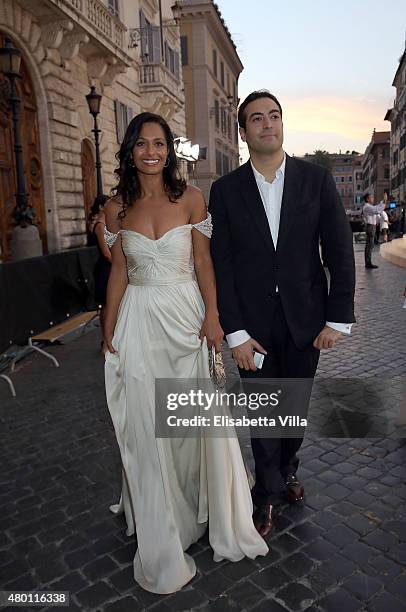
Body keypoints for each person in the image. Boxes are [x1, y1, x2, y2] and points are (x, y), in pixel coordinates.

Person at [103, 112, 268, 594]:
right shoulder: (117, 210)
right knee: (145, 422)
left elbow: (202, 262)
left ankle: (202, 507)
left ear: (169, 152)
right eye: (141, 144)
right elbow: (118, 273)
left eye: (159, 144)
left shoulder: (192, 199)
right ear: (130, 150)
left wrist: (213, 316)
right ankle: (162, 520)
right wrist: (108, 328)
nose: (151, 151)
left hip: (186, 318)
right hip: (138, 319)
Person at [209, 90, 356, 537]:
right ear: (244, 131)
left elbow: (339, 249)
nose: (267, 124)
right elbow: (223, 266)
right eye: (257, 118)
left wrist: (337, 318)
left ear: (282, 123)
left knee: (294, 409)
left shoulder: (316, 180)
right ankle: (267, 496)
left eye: (274, 116)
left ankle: (289, 468)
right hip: (253, 326)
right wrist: (234, 332)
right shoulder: (225, 190)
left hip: (306, 321)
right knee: (263, 413)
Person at [88, 195, 112, 352]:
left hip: (111, 266)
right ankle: (105, 340)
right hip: (106, 267)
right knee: (106, 305)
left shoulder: (108, 224)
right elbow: (106, 253)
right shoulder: (100, 226)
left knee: (111, 304)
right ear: (102, 207)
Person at [362, 193, 385, 268]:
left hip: (371, 226)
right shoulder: (367, 207)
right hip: (370, 227)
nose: (373, 198)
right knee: (369, 245)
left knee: (369, 245)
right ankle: (368, 263)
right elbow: (377, 210)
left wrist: (382, 202)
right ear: (367, 199)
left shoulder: (369, 206)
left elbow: (376, 208)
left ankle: (368, 262)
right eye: (371, 197)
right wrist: (383, 202)